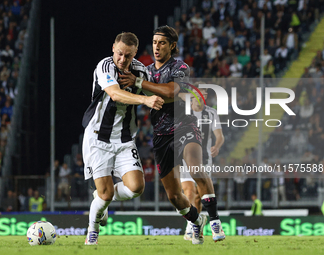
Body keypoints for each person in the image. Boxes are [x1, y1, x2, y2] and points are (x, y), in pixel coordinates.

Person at [119, 26, 225, 244]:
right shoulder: (146, 70)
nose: (157, 46)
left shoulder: (180, 67)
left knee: (196, 169)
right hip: (160, 136)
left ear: (172, 46)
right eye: (155, 42)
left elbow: (170, 91)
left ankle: (214, 221)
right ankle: (196, 221)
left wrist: (140, 84)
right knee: (174, 196)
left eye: (162, 43)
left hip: (185, 127)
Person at [82, 32, 164, 245]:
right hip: (98, 138)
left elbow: (152, 95)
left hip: (125, 139)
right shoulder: (105, 67)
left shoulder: (140, 71)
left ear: (135, 53)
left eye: (127, 56)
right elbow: (115, 94)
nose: (122, 59)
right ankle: (93, 231)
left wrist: (145, 89)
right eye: (119, 54)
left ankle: (101, 198)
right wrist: (143, 100)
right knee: (106, 195)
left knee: (136, 188)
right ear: (113, 49)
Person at [179, 85, 224, 241]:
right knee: (189, 192)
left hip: (204, 158)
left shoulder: (211, 113)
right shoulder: (183, 112)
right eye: (199, 92)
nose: (202, 95)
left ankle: (194, 225)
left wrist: (216, 146)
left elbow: (219, 135)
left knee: (198, 195)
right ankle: (192, 224)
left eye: (204, 93)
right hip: (185, 158)